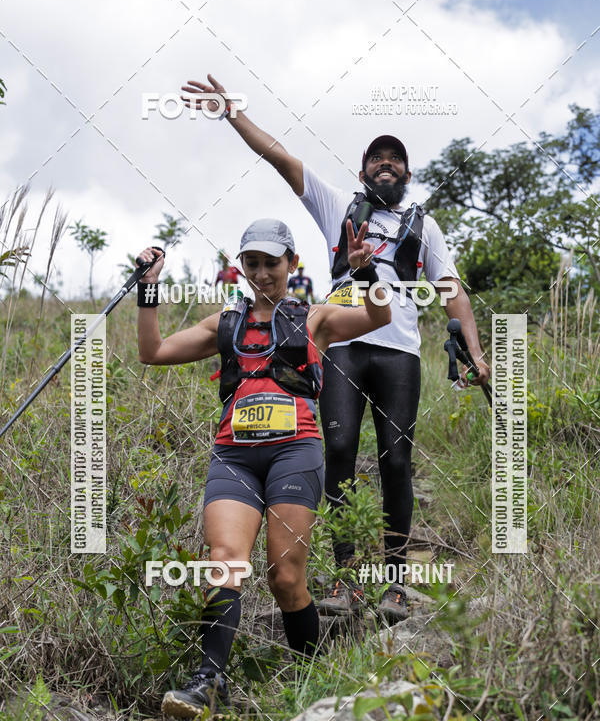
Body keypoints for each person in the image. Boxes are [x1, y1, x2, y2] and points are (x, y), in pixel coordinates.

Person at [180, 76, 491, 624]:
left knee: (397, 461)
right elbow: (282, 158)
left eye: (395, 159)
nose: (386, 165)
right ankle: (345, 580)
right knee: (340, 455)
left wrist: (476, 351)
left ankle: (394, 584)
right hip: (342, 348)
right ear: (363, 170)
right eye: (377, 159)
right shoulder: (337, 209)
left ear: (408, 173)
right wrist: (232, 115)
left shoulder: (427, 227)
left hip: (400, 352)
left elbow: (452, 292)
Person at [136, 218, 391, 720]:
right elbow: (153, 352)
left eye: (272, 262)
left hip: (295, 451)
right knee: (226, 560)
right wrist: (148, 291)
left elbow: (378, 318)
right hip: (234, 456)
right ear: (242, 267)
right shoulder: (225, 324)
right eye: (251, 263)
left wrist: (367, 272)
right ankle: (207, 683)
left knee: (284, 576)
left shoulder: (316, 317)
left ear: (291, 264)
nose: (262, 272)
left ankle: (314, 676)